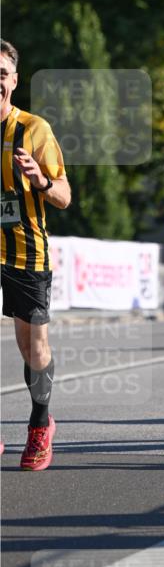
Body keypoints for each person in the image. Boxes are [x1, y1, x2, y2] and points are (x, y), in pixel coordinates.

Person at [1, 39, 71, 469]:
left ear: (13, 80)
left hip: (26, 250)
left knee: (32, 344)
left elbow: (63, 196)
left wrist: (41, 179)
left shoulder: (34, 130)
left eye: (1, 74)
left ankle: (40, 422)